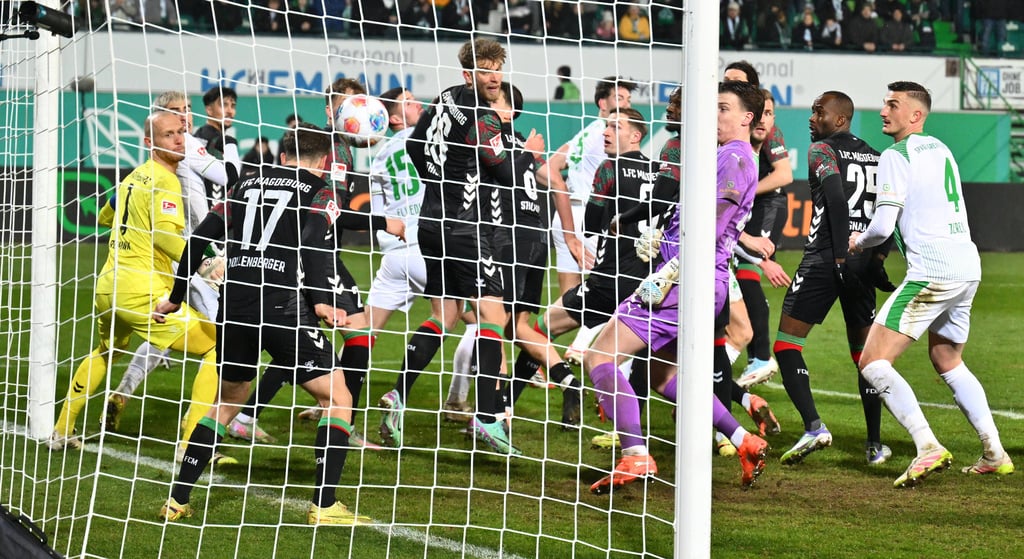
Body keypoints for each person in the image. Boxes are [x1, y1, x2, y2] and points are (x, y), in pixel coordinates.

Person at [155, 124, 371, 525]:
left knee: (226, 401)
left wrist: (176, 295)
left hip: (234, 302)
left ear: (283, 153)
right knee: (339, 397)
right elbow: (313, 242)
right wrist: (323, 301)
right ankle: (324, 507)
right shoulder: (320, 192)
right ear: (324, 160)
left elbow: (200, 237)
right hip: (281, 304)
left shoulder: (245, 183)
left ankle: (177, 501)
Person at [582, 80, 769, 494]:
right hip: (695, 276)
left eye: (723, 108)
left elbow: (717, 221)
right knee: (661, 373)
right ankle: (743, 440)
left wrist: (674, 263)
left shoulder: (736, 157)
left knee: (599, 355)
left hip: (684, 278)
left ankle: (634, 451)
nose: (714, 115)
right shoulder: (723, 155)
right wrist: (668, 233)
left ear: (746, 118)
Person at [379, 38, 543, 454]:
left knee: (445, 312)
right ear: (469, 73)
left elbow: (416, 146)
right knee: (493, 313)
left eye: (497, 69)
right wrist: (525, 150)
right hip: (465, 228)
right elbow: (505, 172)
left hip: (430, 222)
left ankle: (398, 395)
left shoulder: (445, 97)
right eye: (486, 70)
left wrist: (439, 181)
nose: (494, 77)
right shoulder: (483, 116)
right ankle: (488, 417)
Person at [849, 81, 1014, 487]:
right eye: (885, 102)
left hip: (932, 270)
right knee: (947, 359)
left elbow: (884, 224)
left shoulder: (895, 155)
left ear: (915, 115)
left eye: (893, 105)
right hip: (967, 265)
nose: (884, 110)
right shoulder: (940, 149)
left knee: (872, 362)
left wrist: (860, 241)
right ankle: (994, 452)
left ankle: (927, 445)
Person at [226, 79, 402, 448]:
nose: (356, 118)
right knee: (355, 335)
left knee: (304, 342)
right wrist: (384, 222)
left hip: (316, 257)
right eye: (345, 109)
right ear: (329, 112)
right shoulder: (331, 152)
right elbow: (329, 215)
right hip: (313, 258)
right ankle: (340, 416)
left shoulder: (341, 148)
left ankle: (250, 414)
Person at [47, 111, 218, 455]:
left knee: (106, 351)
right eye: (169, 135)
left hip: (109, 287)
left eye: (181, 132)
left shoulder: (131, 178)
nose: (179, 140)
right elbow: (168, 240)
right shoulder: (167, 181)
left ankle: (62, 429)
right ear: (149, 142)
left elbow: (106, 215)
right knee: (220, 348)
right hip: (143, 290)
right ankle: (189, 443)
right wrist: (209, 261)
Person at [103, 91, 241, 465]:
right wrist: (229, 146)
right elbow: (231, 176)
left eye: (186, 111)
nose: (185, 119)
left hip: (164, 260)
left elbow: (116, 203)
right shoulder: (192, 147)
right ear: (162, 122)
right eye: (177, 114)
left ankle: (124, 391)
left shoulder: (152, 161)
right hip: (200, 256)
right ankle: (203, 434)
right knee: (225, 338)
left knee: (168, 330)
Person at [509, 106, 662, 430]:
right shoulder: (660, 172)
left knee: (536, 331)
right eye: (606, 126)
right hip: (648, 283)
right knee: (660, 366)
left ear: (635, 135)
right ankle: (733, 420)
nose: (606, 132)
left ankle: (506, 405)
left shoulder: (610, 168)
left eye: (615, 127)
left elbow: (591, 225)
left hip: (608, 281)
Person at [773, 90, 894, 467]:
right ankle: (874, 446)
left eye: (818, 112)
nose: (812, 118)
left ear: (840, 119)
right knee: (865, 356)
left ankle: (813, 426)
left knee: (787, 345)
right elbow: (890, 212)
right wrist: (877, 257)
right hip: (862, 262)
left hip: (827, 257)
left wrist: (839, 254)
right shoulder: (877, 156)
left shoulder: (822, 150)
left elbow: (837, 201)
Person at [536, 76, 636, 365]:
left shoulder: (584, 134)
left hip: (566, 216)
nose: (626, 105)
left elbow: (550, 167)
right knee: (606, 291)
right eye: (620, 99)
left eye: (628, 100)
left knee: (569, 298)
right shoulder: (606, 137)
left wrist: (564, 192)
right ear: (603, 103)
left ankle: (541, 359)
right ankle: (583, 349)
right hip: (592, 217)